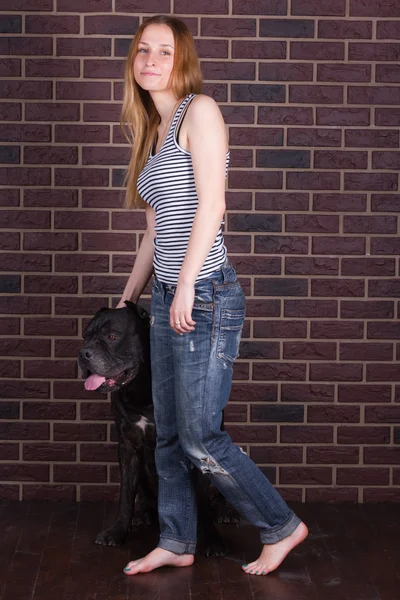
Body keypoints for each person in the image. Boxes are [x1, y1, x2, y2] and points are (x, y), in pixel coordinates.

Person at [115, 14, 308, 577]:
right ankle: (177, 540)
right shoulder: (150, 133)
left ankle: (281, 526)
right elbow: (155, 232)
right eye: (143, 50)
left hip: (206, 294)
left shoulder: (198, 111)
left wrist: (189, 283)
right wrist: (130, 295)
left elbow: (212, 206)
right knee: (168, 435)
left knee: (201, 437)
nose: (150, 60)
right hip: (171, 294)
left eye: (164, 52)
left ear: (183, 60)